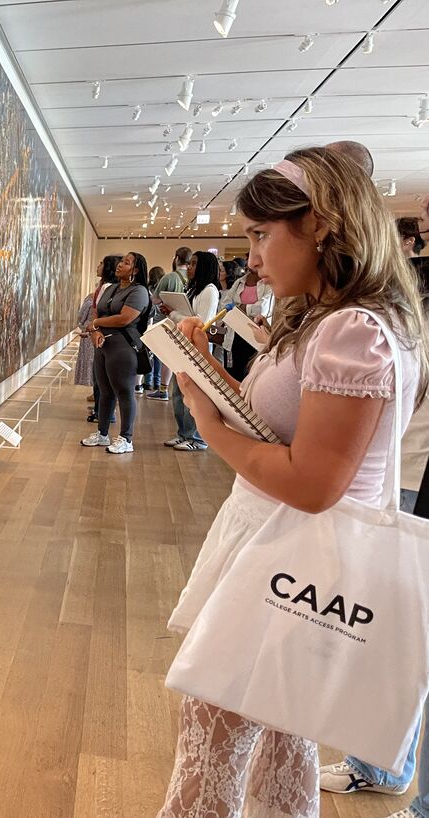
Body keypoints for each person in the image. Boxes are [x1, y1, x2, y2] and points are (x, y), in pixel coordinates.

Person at [159, 147, 428, 818]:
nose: (250, 255)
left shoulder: (350, 332)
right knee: (282, 738)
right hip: (289, 550)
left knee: (212, 741)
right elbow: (278, 426)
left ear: (322, 225)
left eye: (260, 233)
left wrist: (204, 419)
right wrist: (207, 372)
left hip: (294, 554)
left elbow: (312, 483)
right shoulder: (333, 320)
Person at [316, 245, 429, 818]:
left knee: (399, 634)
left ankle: (401, 778)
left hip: (405, 475)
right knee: (385, 632)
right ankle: (382, 764)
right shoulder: (397, 306)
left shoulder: (374, 319)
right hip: (398, 471)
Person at [80, 252, 151, 455]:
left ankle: (126, 438)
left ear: (135, 270)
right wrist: (95, 331)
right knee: (104, 391)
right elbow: (96, 311)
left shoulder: (139, 292)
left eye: (126, 263)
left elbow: (124, 318)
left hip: (124, 347)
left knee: (124, 391)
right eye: (121, 261)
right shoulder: (111, 288)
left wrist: (95, 324)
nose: (120, 265)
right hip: (103, 345)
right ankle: (102, 434)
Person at [161, 251, 221, 451]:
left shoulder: (210, 290)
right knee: (179, 393)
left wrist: (174, 313)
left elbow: (199, 322)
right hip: (183, 346)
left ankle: (197, 438)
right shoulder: (195, 289)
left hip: (197, 348)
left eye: (194, 264)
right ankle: (183, 433)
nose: (190, 268)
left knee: (195, 394)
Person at [82, 256, 121, 423]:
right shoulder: (106, 287)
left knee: (102, 380)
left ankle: (104, 414)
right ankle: (101, 412)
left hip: (104, 337)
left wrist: (95, 326)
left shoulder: (107, 288)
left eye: (101, 263)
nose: (98, 266)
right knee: (101, 379)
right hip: (101, 335)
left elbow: (102, 313)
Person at [146, 255, 190, 401]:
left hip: (165, 321)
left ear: (177, 258)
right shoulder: (190, 279)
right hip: (184, 324)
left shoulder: (170, 277)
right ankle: (162, 387)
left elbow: (155, 299)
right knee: (169, 359)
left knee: (162, 357)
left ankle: (161, 389)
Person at [220, 264, 274, 382]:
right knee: (233, 375)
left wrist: (238, 307)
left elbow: (262, 309)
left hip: (256, 336)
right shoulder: (240, 282)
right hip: (234, 336)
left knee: (252, 376)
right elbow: (224, 305)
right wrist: (247, 309)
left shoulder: (269, 283)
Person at [144, 266, 167, 391]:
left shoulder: (146, 290)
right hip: (161, 325)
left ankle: (147, 382)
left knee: (148, 355)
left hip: (149, 324)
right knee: (159, 357)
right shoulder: (164, 292)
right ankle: (157, 382)